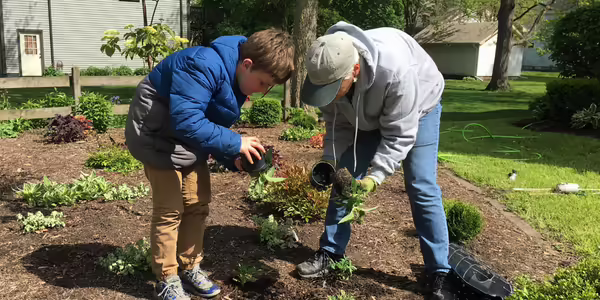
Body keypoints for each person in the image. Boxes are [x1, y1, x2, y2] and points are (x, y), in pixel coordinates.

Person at [125, 29, 294, 300]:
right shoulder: (203, 64)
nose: (264, 92)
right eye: (263, 83)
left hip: (185, 138)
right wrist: (237, 142)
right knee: (170, 209)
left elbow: (210, 126)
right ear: (247, 65)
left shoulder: (233, 78)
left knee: (198, 203)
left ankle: (190, 267)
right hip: (156, 134)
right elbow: (187, 120)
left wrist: (235, 158)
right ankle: (166, 278)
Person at [296, 21, 454, 300]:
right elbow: (336, 124)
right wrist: (329, 161)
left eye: (334, 87)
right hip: (365, 111)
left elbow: (399, 135)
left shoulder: (395, 72)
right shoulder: (328, 67)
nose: (328, 94)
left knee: (420, 184)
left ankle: (439, 270)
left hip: (419, 106)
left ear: (354, 70)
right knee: (344, 176)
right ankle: (331, 252)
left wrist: (375, 176)